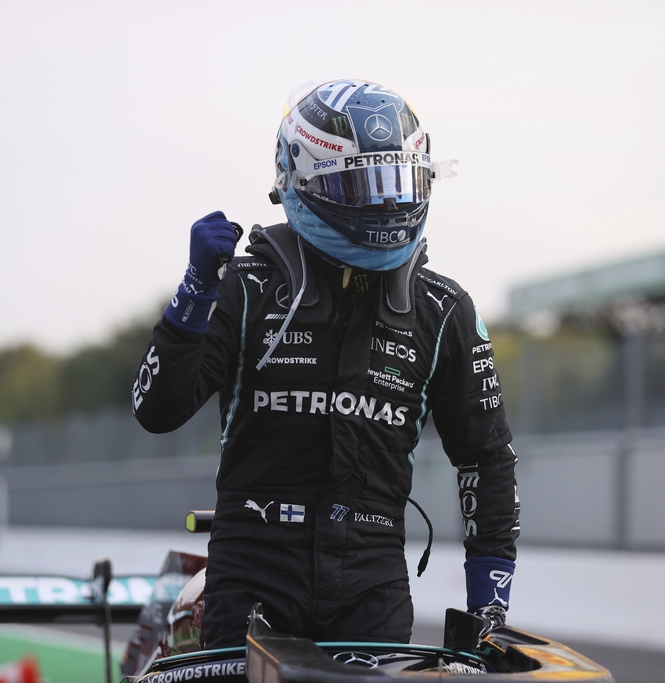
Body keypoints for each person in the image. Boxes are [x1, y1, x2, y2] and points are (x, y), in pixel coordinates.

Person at [132, 79, 520, 648]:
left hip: (372, 583)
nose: (386, 203)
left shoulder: (445, 309)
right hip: (253, 574)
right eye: (363, 184)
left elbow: (487, 462)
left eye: (396, 182)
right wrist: (196, 291)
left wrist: (489, 611)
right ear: (301, 177)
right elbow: (155, 410)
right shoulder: (244, 287)